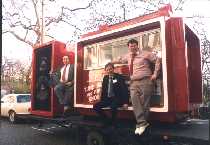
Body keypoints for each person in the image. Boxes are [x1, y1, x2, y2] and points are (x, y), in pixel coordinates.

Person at [112, 39, 161, 135]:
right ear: (128, 47)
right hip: (133, 82)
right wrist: (109, 63)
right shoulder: (128, 56)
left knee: (144, 103)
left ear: (137, 46)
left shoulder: (146, 54)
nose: (132, 47)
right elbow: (119, 59)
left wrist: (155, 74)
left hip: (145, 80)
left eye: (134, 45)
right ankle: (142, 122)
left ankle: (141, 124)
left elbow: (157, 60)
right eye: (130, 46)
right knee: (135, 102)